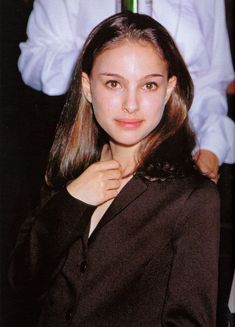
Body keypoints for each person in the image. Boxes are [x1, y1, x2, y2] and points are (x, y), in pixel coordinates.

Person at [9, 12, 220, 326]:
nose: (131, 104)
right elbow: (23, 283)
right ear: (88, 87)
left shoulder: (192, 198)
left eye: (148, 85)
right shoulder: (67, 171)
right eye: (113, 83)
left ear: (168, 89)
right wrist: (71, 201)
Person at [17, 0, 235, 183]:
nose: (132, 104)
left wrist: (211, 147)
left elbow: (213, 78)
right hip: (93, 148)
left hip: (182, 149)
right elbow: (34, 58)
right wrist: (105, 64)